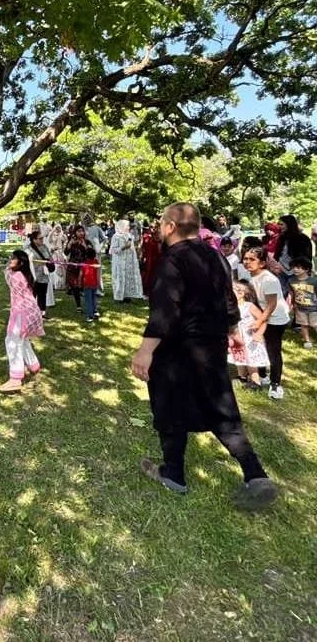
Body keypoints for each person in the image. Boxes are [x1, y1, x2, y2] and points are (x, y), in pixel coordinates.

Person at [131, 203, 277, 510]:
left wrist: (144, 352)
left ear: (170, 226)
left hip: (177, 349)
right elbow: (228, 297)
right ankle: (255, 474)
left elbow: (165, 311)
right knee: (221, 409)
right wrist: (233, 330)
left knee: (170, 407)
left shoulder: (172, 259)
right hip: (211, 346)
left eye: (161, 223)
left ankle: (173, 474)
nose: (159, 228)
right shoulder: (216, 255)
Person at [242, 246, 290, 400]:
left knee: (272, 350)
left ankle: (276, 384)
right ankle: (262, 376)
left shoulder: (269, 279)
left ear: (262, 263)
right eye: (245, 259)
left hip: (276, 319)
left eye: (252, 259)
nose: (247, 262)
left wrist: (260, 321)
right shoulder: (249, 276)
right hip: (261, 315)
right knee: (259, 346)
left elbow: (271, 305)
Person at [0, 249, 44, 394]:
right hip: (31, 311)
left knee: (12, 341)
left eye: (14, 258)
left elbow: (7, 274)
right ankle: (34, 365)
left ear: (21, 263)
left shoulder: (16, 276)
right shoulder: (26, 275)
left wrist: (9, 266)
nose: (10, 259)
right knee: (22, 340)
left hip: (22, 313)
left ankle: (15, 379)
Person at [228, 280, 269, 390]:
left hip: (250, 339)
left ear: (241, 293)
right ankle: (242, 377)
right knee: (238, 357)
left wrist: (259, 333)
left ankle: (256, 381)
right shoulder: (230, 307)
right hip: (236, 337)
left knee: (251, 361)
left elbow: (263, 320)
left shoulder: (249, 306)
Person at [273, 214, 312, 295]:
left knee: (297, 295)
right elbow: (278, 254)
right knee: (283, 294)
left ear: (289, 225)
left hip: (297, 272)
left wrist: (298, 270)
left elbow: (306, 257)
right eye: (279, 224)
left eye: (281, 224)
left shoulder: (302, 238)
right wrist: (276, 266)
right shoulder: (282, 238)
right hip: (281, 271)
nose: (279, 226)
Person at [110, 219, 144, 302]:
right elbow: (113, 250)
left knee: (128, 278)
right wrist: (123, 247)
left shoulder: (129, 236)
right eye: (127, 226)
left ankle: (127, 295)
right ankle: (119, 296)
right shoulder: (116, 236)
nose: (128, 227)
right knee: (120, 278)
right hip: (120, 261)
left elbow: (132, 247)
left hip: (129, 261)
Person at [65, 225, 94, 313]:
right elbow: (66, 253)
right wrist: (69, 244)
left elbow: (92, 255)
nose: (81, 233)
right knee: (75, 287)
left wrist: (85, 246)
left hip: (84, 268)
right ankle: (78, 306)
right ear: (75, 233)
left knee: (84, 287)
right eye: (79, 231)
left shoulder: (87, 242)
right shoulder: (72, 241)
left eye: (82, 231)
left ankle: (90, 304)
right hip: (72, 268)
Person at [290, 257, 317, 349]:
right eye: (294, 267)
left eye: (298, 267)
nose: (295, 269)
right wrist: (292, 305)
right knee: (303, 325)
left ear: (306, 269)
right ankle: (307, 341)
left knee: (315, 325)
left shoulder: (314, 281)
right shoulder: (291, 281)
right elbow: (292, 294)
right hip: (300, 308)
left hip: (314, 308)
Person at [27, 231, 54, 319]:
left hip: (44, 275)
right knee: (32, 295)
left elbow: (50, 257)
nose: (42, 240)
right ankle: (30, 314)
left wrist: (50, 263)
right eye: (40, 238)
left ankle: (42, 314)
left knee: (43, 295)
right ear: (34, 240)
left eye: (42, 238)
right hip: (34, 276)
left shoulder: (44, 247)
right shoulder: (28, 249)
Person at [83, 215, 106, 295]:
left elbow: (104, 239)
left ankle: (98, 289)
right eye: (85, 219)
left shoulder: (97, 228)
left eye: (88, 219)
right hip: (86, 253)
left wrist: (100, 247)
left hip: (96, 252)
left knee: (96, 270)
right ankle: (87, 288)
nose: (87, 220)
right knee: (86, 271)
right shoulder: (83, 228)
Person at [140, 221, 161, 296]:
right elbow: (142, 248)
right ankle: (146, 291)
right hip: (149, 258)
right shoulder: (146, 236)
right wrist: (142, 257)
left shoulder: (160, 236)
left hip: (157, 257)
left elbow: (160, 248)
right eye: (151, 227)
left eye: (155, 227)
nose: (153, 229)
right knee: (148, 273)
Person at [80, 248, 101, 323]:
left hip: (87, 284)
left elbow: (81, 274)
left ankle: (90, 316)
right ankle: (95, 312)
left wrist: (79, 282)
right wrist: (98, 282)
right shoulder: (96, 261)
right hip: (94, 283)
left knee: (88, 300)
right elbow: (98, 272)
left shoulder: (84, 262)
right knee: (93, 298)